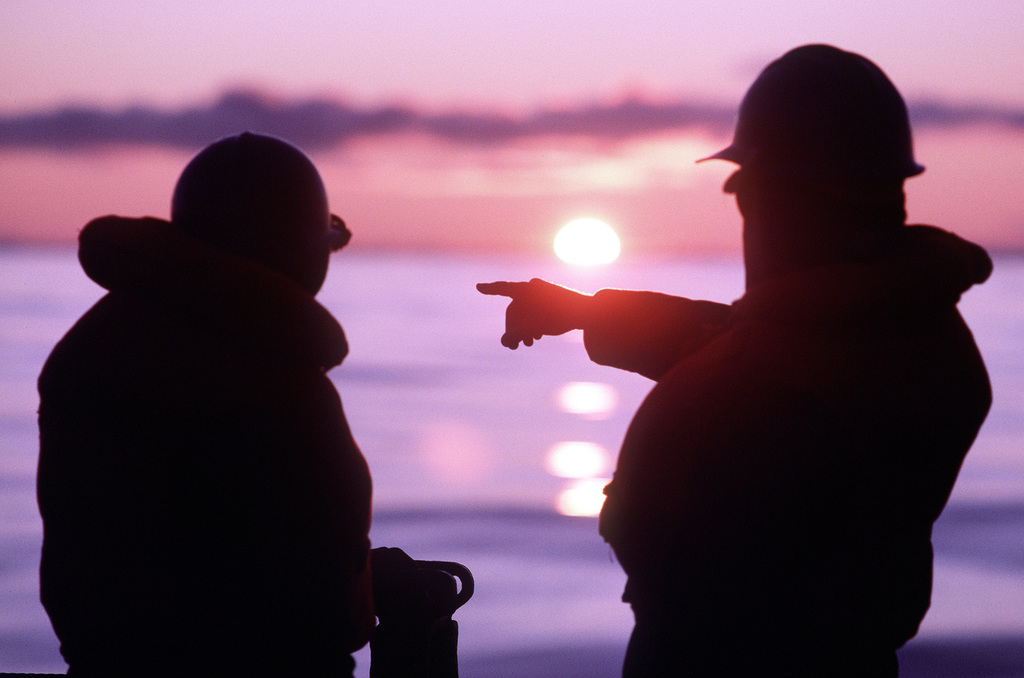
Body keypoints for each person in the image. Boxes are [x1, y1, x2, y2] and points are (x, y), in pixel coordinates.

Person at [478, 45, 992, 677]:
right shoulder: (910, 326)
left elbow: (748, 372)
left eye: (745, 190)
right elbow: (739, 337)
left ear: (769, 197)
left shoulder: (768, 397)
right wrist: (591, 312)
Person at [37, 132, 373, 676]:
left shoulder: (103, 343)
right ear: (304, 247)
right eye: (329, 237)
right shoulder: (270, 374)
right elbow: (304, 597)